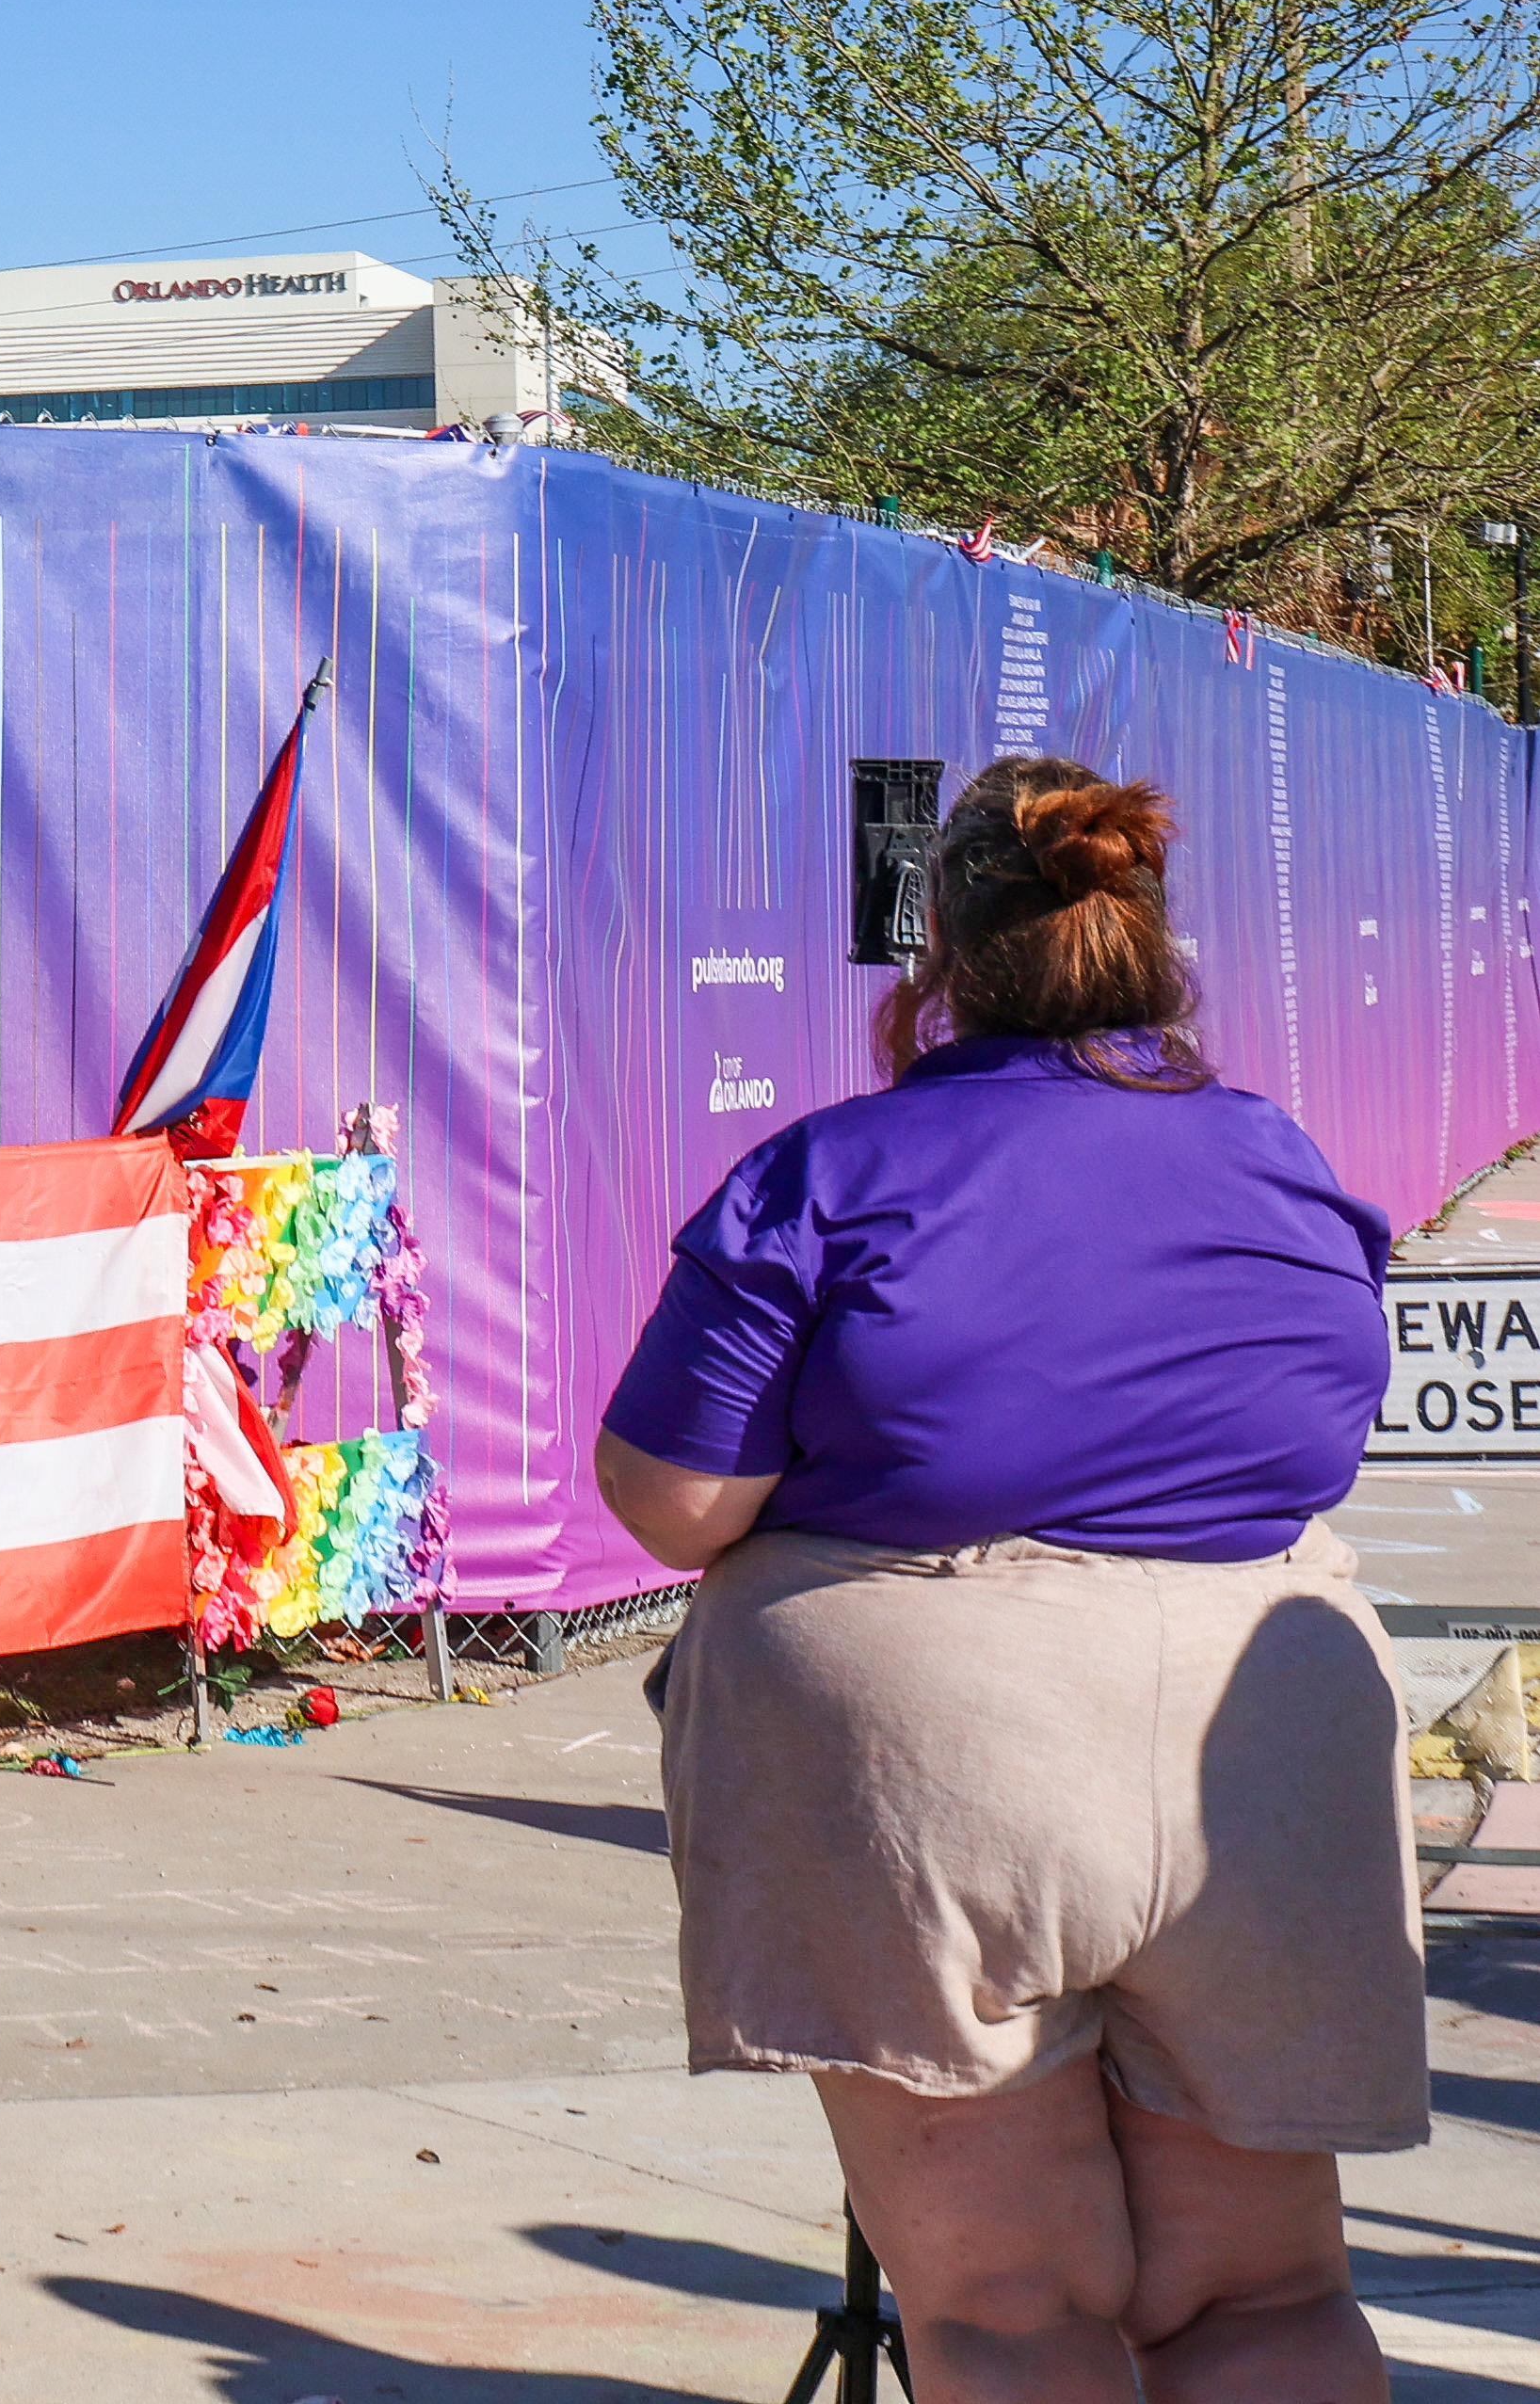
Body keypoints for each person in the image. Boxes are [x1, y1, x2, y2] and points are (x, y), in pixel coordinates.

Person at [598, 756, 1420, 2402]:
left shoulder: (828, 1170)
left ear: (942, 958)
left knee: (1006, 2300)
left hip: (933, 1760)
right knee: (1264, 2290)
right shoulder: (1279, 1157)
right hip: (1260, 1741)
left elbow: (676, 1502)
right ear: (1147, 942)